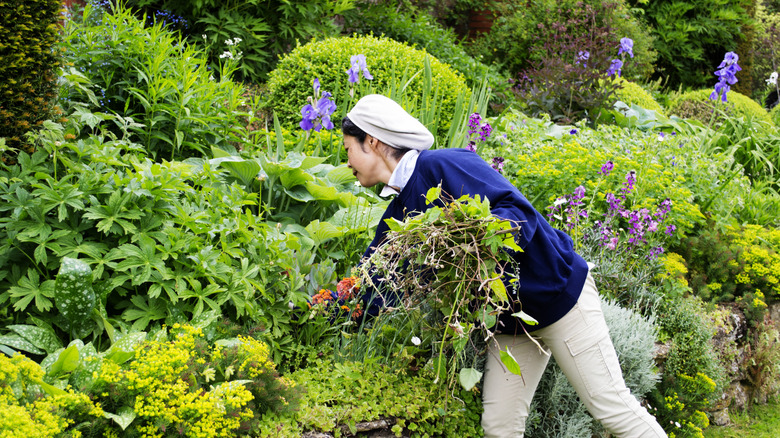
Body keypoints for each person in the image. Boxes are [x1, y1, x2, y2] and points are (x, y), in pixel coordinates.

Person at [342, 94, 667, 438]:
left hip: (558, 297)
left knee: (611, 407)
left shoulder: (442, 165)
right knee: (500, 428)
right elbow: (375, 281)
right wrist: (331, 312)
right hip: (511, 323)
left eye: (348, 148)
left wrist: (475, 238)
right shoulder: (399, 216)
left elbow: (518, 212)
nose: (346, 160)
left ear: (372, 142)